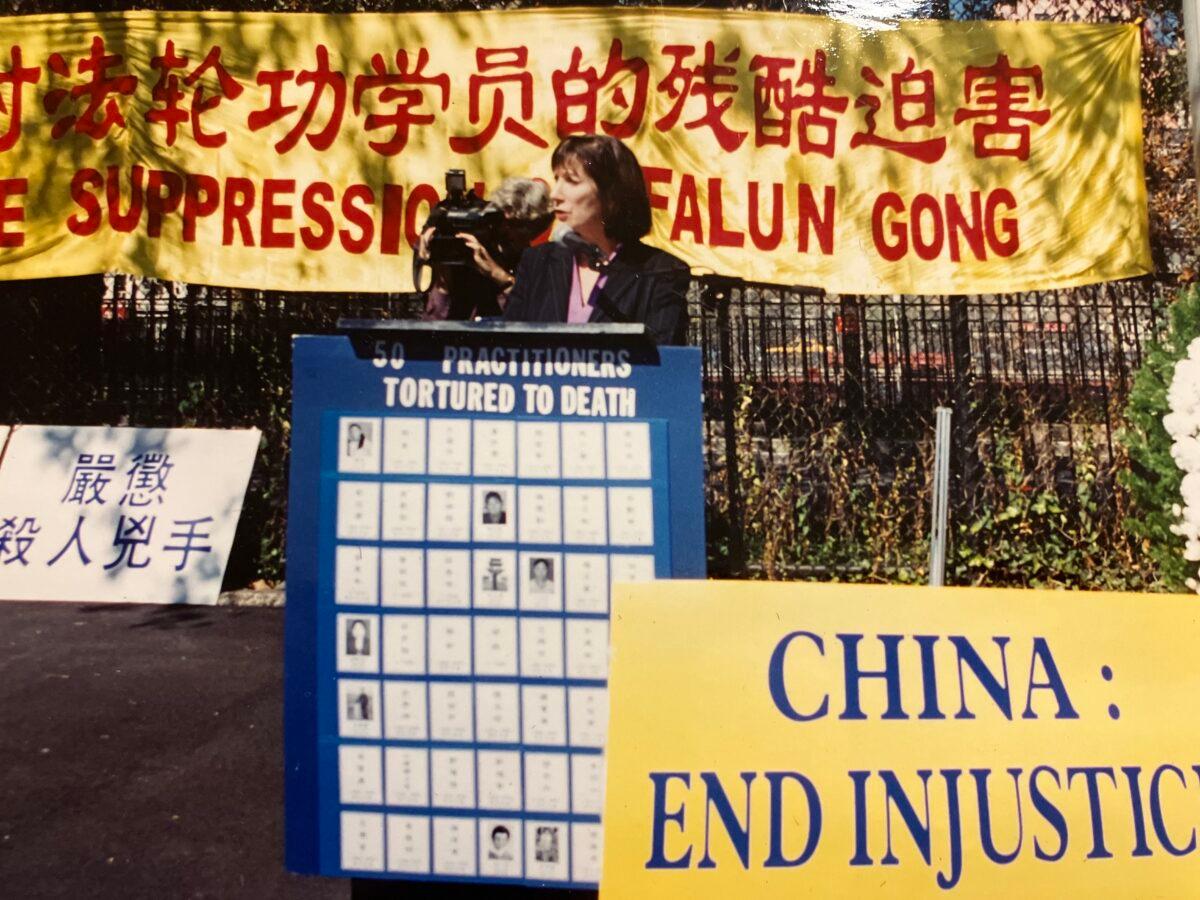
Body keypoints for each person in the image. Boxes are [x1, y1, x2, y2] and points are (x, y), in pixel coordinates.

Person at [503, 135, 690, 345]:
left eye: (572, 181)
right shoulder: (537, 261)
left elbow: (664, 365)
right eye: (556, 180)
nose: (555, 194)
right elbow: (510, 351)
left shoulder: (662, 272)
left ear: (612, 194)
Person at [419, 177, 552, 320]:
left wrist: (497, 274)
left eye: (515, 224)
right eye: (501, 219)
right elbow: (434, 327)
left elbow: (532, 318)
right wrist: (442, 280)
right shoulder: (477, 239)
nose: (504, 229)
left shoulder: (536, 263)